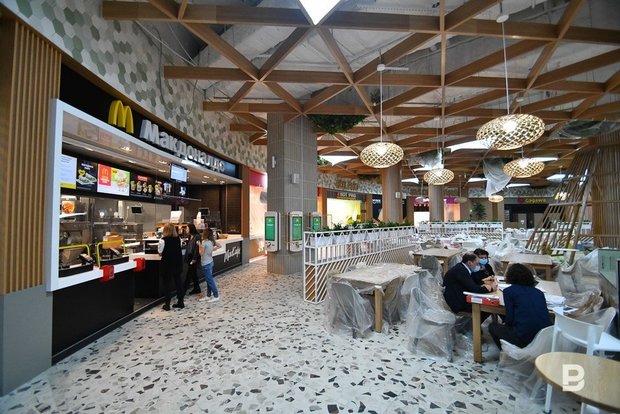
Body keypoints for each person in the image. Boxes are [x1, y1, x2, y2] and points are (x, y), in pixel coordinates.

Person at [489, 263, 552, 349]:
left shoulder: (509, 291)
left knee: (492, 326)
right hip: (544, 337)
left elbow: (510, 319)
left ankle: (506, 352)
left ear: (510, 276)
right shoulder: (539, 292)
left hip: (523, 337)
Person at [158, 223, 184, 310]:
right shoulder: (178, 239)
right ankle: (181, 302)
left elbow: (160, 252)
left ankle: (167, 304)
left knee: (167, 284)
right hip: (177, 263)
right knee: (178, 283)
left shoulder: (162, 240)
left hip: (167, 264)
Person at [197, 228, 222, 303]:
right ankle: (208, 295)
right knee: (209, 280)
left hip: (206, 264)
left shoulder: (204, 242)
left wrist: (199, 245)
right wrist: (213, 249)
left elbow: (201, 253)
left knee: (210, 280)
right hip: (210, 262)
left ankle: (216, 296)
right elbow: (219, 246)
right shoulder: (211, 241)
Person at [184, 224, 202, 295]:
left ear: (191, 229)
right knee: (194, 274)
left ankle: (183, 291)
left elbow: (197, 248)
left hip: (193, 258)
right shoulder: (189, 236)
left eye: (187, 228)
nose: (186, 230)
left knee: (189, 274)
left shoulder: (197, 236)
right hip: (189, 257)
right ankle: (197, 288)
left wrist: (194, 258)